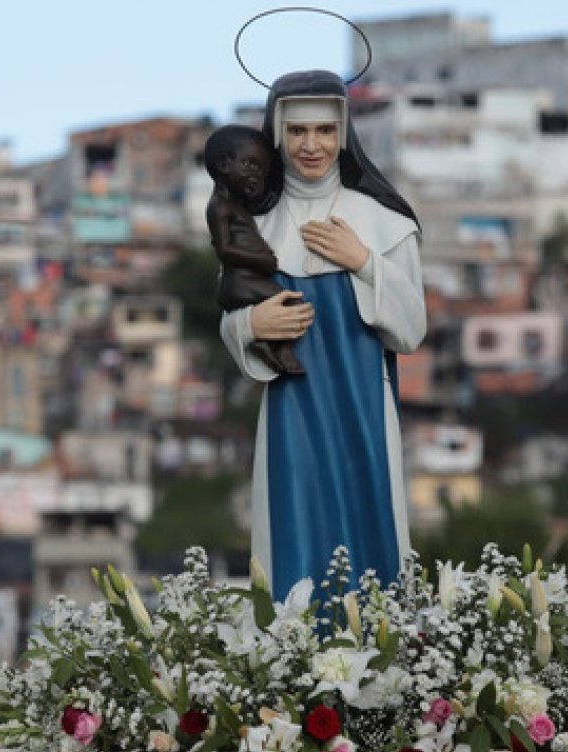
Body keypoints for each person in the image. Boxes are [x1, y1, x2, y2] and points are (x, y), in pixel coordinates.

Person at [219, 70, 425, 597]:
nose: (312, 145)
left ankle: (379, 656)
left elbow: (411, 328)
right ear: (277, 135)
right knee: (294, 522)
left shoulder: (384, 222)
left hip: (362, 403)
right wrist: (250, 325)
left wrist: (363, 261)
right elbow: (231, 318)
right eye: (297, 132)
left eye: (325, 131)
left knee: (371, 523)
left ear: (344, 134)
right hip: (294, 407)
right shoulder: (254, 228)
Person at [205, 125, 305, 376]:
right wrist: (260, 259)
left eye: (261, 171)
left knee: (290, 303)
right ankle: (276, 349)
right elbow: (224, 248)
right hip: (239, 282)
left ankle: (274, 347)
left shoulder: (238, 206)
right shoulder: (219, 207)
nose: (255, 175)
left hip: (248, 278)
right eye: (250, 165)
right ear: (225, 164)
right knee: (291, 302)